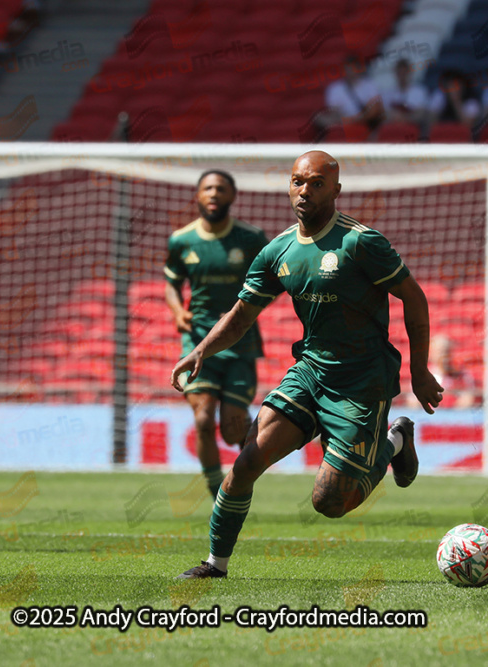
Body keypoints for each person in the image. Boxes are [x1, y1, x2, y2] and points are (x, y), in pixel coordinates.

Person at [172, 151, 444, 579]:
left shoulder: (360, 243)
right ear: (289, 185)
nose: (306, 191)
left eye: (317, 183)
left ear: (336, 190)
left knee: (330, 503)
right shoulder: (277, 250)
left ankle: (396, 440)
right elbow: (242, 315)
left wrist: (420, 370)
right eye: (299, 181)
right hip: (310, 373)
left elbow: (414, 297)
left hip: (361, 382)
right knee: (246, 464)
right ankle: (215, 564)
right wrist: (201, 349)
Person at [164, 170, 268, 499]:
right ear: (197, 195)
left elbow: (272, 278)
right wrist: (178, 310)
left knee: (233, 426)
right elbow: (171, 282)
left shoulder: (251, 238)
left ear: (232, 195)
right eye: (207, 188)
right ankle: (216, 494)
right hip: (198, 341)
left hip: (240, 339)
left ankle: (244, 473)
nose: (213, 194)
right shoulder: (182, 240)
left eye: (220, 189)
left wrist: (247, 308)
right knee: (204, 419)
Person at [321, 54, 385, 135]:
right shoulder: (334, 88)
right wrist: (345, 118)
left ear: (358, 69)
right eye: (348, 69)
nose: (350, 71)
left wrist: (356, 119)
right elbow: (334, 111)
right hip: (343, 119)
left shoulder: (369, 85)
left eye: (352, 68)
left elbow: (374, 109)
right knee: (319, 118)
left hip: (365, 119)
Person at [381, 58, 428, 126]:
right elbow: (385, 113)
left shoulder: (420, 91)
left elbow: (421, 114)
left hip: (413, 127)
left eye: (404, 73)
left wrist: (405, 118)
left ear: (409, 73)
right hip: (393, 126)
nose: (402, 76)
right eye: (400, 73)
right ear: (396, 74)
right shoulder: (388, 93)